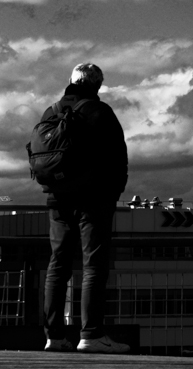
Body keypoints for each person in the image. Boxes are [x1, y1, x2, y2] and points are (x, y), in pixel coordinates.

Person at [39, 62, 130, 354]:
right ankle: (90, 335)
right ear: (97, 86)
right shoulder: (100, 112)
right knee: (93, 267)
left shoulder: (50, 112)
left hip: (57, 199)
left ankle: (54, 336)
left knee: (58, 265)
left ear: (70, 81)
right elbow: (118, 158)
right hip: (94, 201)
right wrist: (113, 193)